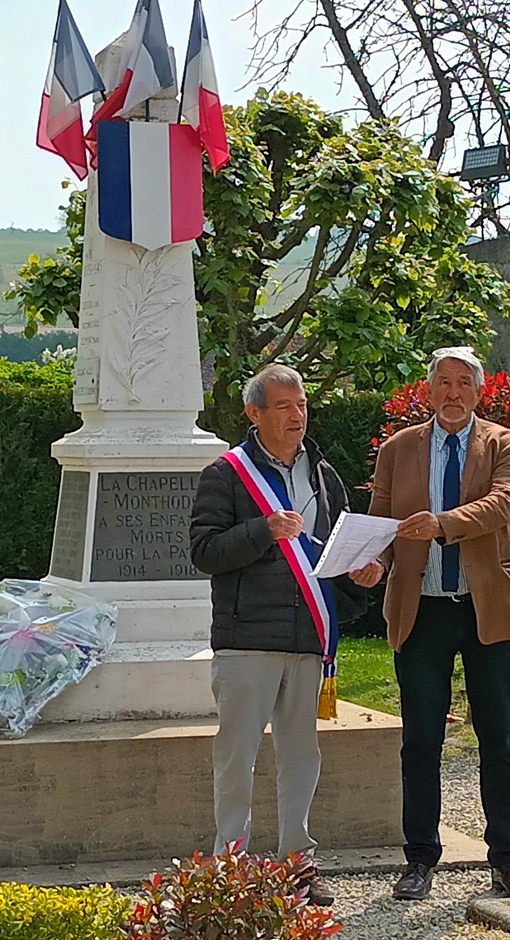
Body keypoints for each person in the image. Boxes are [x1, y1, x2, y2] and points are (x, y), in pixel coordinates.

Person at [189, 364, 383, 908]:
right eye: (284, 407)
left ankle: (297, 863)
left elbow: (336, 546)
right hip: (247, 638)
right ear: (255, 414)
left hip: (307, 640)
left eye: (301, 405)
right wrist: (262, 529)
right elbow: (204, 551)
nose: (297, 415)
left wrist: (364, 570)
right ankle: (230, 866)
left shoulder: (323, 474)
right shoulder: (225, 475)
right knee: (237, 756)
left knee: (302, 755)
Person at [366, 345, 510, 901]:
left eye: (464, 382)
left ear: (478, 391)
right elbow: (383, 526)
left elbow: (502, 505)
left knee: (498, 740)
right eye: (443, 382)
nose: (453, 393)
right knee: (420, 740)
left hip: (487, 610)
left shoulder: (505, 444)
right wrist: (373, 562)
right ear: (429, 389)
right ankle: (419, 860)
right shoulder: (398, 449)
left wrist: (440, 524)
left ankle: (506, 861)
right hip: (422, 611)